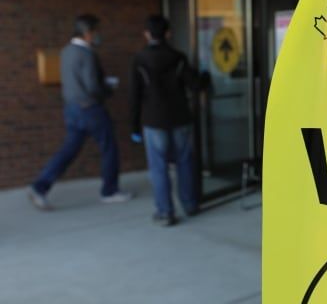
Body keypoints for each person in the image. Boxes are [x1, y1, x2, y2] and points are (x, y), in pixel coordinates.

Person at [29, 14, 133, 210]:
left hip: (71, 108)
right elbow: (93, 87)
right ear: (88, 33)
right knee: (109, 148)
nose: (98, 36)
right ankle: (110, 191)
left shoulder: (66, 51)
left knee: (68, 150)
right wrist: (108, 88)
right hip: (90, 109)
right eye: (96, 32)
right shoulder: (87, 54)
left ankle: (39, 187)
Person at [130, 15, 200, 227]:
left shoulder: (139, 59)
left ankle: (165, 211)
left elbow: (135, 95)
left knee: (158, 167)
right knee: (185, 163)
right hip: (180, 117)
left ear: (147, 34)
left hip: (153, 120)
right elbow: (194, 84)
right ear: (168, 33)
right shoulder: (178, 57)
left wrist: (134, 127)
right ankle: (189, 204)